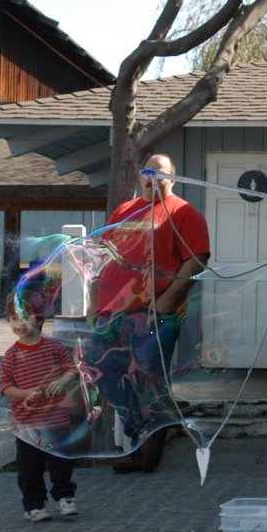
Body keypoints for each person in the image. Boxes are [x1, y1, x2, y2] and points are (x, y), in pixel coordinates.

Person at [87, 153, 211, 474]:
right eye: (147, 172)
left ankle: (144, 448)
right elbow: (104, 256)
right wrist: (92, 300)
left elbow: (197, 259)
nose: (152, 177)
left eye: (160, 173)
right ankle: (148, 428)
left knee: (146, 378)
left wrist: (170, 297)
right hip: (113, 313)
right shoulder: (124, 210)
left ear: (173, 178)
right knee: (102, 369)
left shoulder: (184, 213)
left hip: (156, 313)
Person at [0, 295, 80, 522]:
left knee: (61, 462)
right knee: (29, 468)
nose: (19, 324)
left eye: (25, 317)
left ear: (40, 319)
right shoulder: (11, 355)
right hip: (27, 424)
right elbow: (5, 387)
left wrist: (63, 381)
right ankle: (34, 505)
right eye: (13, 318)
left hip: (56, 420)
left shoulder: (54, 347)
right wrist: (25, 394)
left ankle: (64, 497)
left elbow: (72, 370)